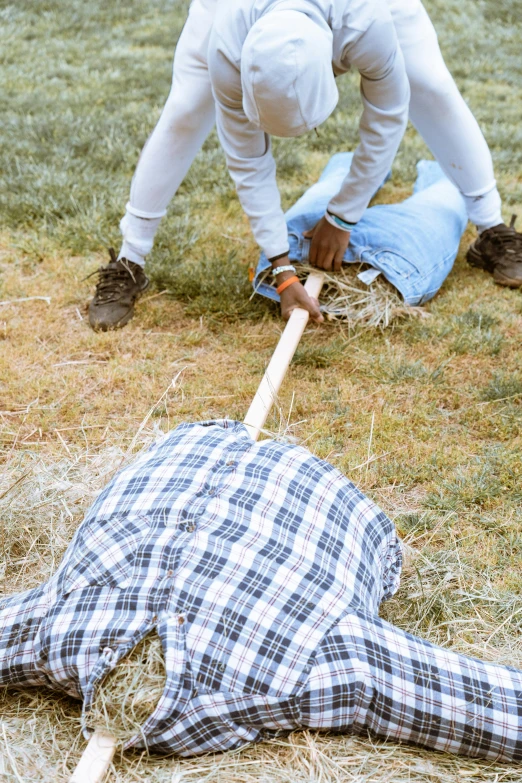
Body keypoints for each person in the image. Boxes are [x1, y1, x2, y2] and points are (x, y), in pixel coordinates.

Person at [1, 420, 521, 758]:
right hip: (270, 477)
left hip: (197, 453)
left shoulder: (59, 630)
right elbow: (481, 702)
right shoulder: (295, 668)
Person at [87, 0, 522, 331]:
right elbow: (247, 160)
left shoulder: (368, 21)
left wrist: (344, 214)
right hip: (241, 13)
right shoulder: (226, 43)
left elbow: (387, 119)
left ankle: (492, 229)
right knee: (184, 109)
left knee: (430, 82)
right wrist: (281, 268)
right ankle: (129, 259)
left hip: (349, 12)